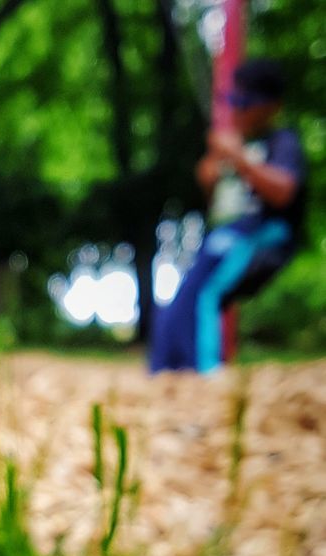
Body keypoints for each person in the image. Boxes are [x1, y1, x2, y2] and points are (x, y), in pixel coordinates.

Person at [150, 58, 305, 374]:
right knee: (181, 300)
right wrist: (211, 176)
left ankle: (205, 370)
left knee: (205, 293)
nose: (237, 110)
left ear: (271, 106)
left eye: (244, 102)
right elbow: (218, 202)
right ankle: (167, 367)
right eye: (233, 101)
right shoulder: (238, 143)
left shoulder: (282, 142)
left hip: (263, 236)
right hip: (226, 235)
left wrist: (239, 159)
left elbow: (284, 191)